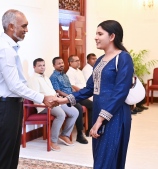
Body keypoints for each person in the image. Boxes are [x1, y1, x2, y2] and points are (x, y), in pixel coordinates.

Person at [54, 20, 134, 169]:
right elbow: (88, 89)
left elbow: (120, 92)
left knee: (107, 161)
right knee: (100, 158)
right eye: (96, 34)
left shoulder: (123, 58)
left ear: (112, 36)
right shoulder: (99, 61)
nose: (95, 37)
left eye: (100, 34)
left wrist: (99, 121)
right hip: (99, 112)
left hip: (115, 115)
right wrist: (63, 100)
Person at [0, 9, 57, 169]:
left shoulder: (9, 47)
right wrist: (42, 98)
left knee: (11, 154)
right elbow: (14, 85)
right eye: (24, 26)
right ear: (11, 26)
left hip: (10, 105)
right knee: (3, 157)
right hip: (4, 107)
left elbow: (17, 83)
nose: (26, 30)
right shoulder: (4, 49)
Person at [28, 58, 79, 151]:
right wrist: (50, 99)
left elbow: (52, 91)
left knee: (75, 112)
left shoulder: (46, 77)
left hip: (55, 101)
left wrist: (57, 97)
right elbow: (35, 95)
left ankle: (64, 135)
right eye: (39, 66)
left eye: (43, 65)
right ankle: (53, 141)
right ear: (34, 67)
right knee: (61, 114)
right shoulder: (33, 79)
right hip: (44, 104)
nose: (42, 67)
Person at [50, 57, 88, 144]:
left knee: (87, 103)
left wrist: (75, 94)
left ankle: (84, 131)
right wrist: (69, 97)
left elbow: (70, 87)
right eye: (59, 63)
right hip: (64, 99)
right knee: (78, 108)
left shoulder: (64, 75)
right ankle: (80, 134)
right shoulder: (54, 77)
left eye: (62, 62)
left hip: (71, 96)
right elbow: (57, 91)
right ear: (54, 65)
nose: (61, 65)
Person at [66, 55, 93, 135]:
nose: (79, 62)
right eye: (76, 61)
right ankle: (89, 130)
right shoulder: (69, 73)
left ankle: (94, 126)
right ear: (71, 63)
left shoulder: (79, 71)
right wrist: (84, 93)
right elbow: (73, 86)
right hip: (78, 95)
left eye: (79, 60)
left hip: (84, 93)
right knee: (92, 105)